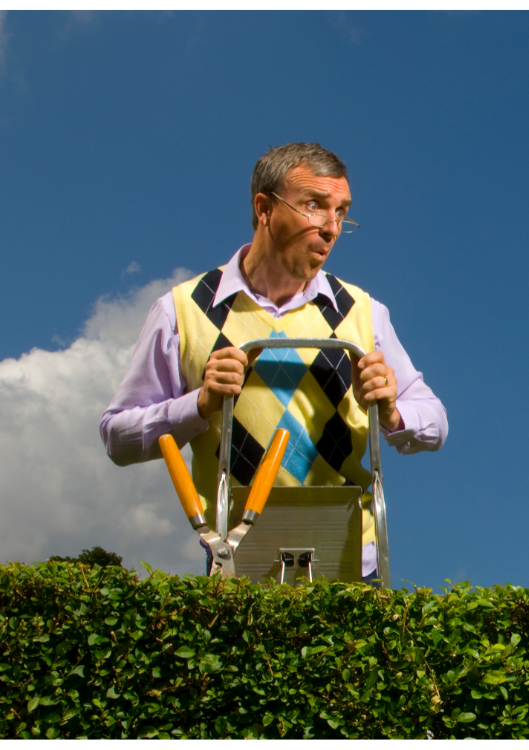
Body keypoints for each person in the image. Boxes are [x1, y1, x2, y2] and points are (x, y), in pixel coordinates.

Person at [101, 142, 448, 583]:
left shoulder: (362, 312)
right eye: (314, 206)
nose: (331, 227)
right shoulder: (183, 310)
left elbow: (435, 421)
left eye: (341, 212)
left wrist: (394, 411)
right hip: (235, 565)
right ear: (264, 208)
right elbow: (118, 438)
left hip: (354, 567)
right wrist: (200, 403)